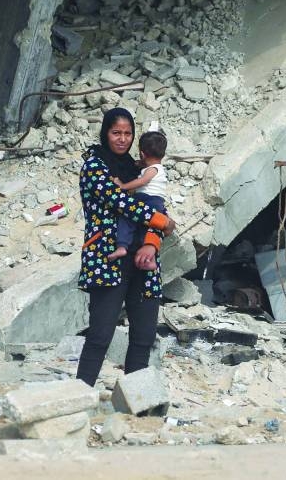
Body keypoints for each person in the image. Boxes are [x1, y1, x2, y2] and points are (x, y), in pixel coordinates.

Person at [76, 108, 176, 387]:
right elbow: (120, 202)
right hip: (108, 258)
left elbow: (158, 204)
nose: (122, 139)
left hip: (144, 259)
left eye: (127, 133)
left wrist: (153, 243)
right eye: (116, 132)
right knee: (99, 336)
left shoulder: (139, 170)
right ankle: (78, 397)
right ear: (105, 133)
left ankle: (136, 403)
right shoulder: (95, 167)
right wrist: (162, 221)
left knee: (143, 337)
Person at [109, 130, 168, 262]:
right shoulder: (156, 168)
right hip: (158, 202)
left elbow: (142, 181)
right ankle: (150, 259)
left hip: (147, 198)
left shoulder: (153, 169)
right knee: (148, 230)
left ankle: (122, 246)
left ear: (142, 153)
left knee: (126, 218)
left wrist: (123, 186)